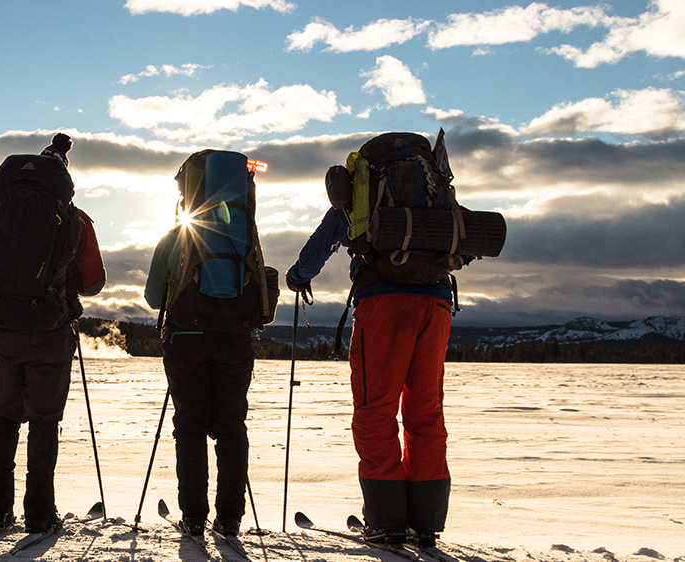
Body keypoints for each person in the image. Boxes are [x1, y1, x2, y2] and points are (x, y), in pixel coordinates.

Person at [285, 206, 453, 547]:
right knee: (426, 410)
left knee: (375, 410)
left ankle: (386, 521)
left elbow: (320, 245)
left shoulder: (360, 190)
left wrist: (298, 276)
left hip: (382, 302)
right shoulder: (432, 184)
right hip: (436, 303)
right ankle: (425, 522)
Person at [0, 133, 106, 532]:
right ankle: (40, 514)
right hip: (51, 329)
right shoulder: (76, 219)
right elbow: (93, 283)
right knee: (44, 419)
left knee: (4, 416)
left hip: (1, 329)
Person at [143, 150, 275, 538]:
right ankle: (230, 518)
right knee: (232, 426)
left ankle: (194, 516)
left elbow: (154, 298)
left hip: (185, 341)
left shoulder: (176, 237)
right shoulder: (245, 235)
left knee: (190, 425)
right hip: (235, 340)